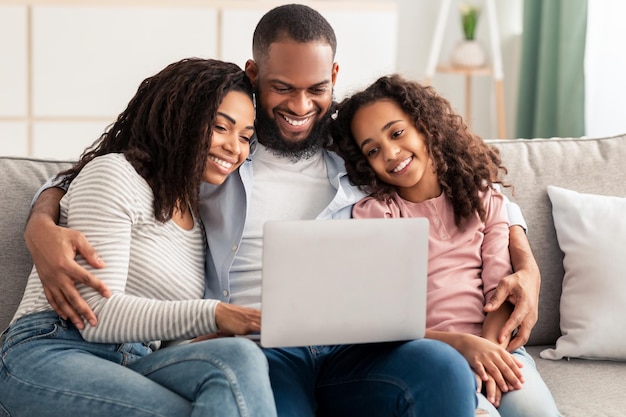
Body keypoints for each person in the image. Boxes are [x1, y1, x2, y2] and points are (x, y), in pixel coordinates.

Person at [21, 4, 540, 416]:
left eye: (317, 89)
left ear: (335, 75)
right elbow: (102, 169)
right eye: (282, 89)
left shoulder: (356, 148)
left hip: (352, 345)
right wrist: (40, 223)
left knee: (440, 368)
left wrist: (525, 257)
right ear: (255, 73)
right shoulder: (211, 155)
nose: (299, 107)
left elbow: (464, 187)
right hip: (258, 348)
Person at [0, 58, 277, 417]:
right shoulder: (115, 174)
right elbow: (97, 315)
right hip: (54, 348)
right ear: (180, 118)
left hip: (136, 361)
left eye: (245, 138)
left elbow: (167, 329)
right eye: (220, 128)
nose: (234, 148)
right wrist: (217, 314)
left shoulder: (199, 222)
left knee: (238, 357)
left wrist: (205, 340)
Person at [332, 74, 560, 417]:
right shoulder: (376, 214)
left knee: (533, 411)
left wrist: (489, 353)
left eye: (397, 133)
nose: (391, 154)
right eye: (373, 150)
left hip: (495, 344)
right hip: (429, 354)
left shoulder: (484, 199)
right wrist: (463, 350)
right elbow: (389, 320)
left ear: (424, 126)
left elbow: (499, 291)